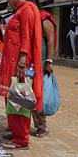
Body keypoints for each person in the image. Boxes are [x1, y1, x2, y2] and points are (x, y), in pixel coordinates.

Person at [0, 0, 43, 150]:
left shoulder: (26, 10)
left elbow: (26, 36)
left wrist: (22, 61)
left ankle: (21, 139)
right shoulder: (22, 10)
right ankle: (16, 131)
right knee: (14, 97)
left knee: (20, 98)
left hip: (19, 62)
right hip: (14, 61)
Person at [32, 8, 58, 138]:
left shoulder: (44, 18)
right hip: (27, 62)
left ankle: (41, 126)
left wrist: (49, 61)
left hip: (40, 63)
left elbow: (50, 41)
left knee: (39, 94)